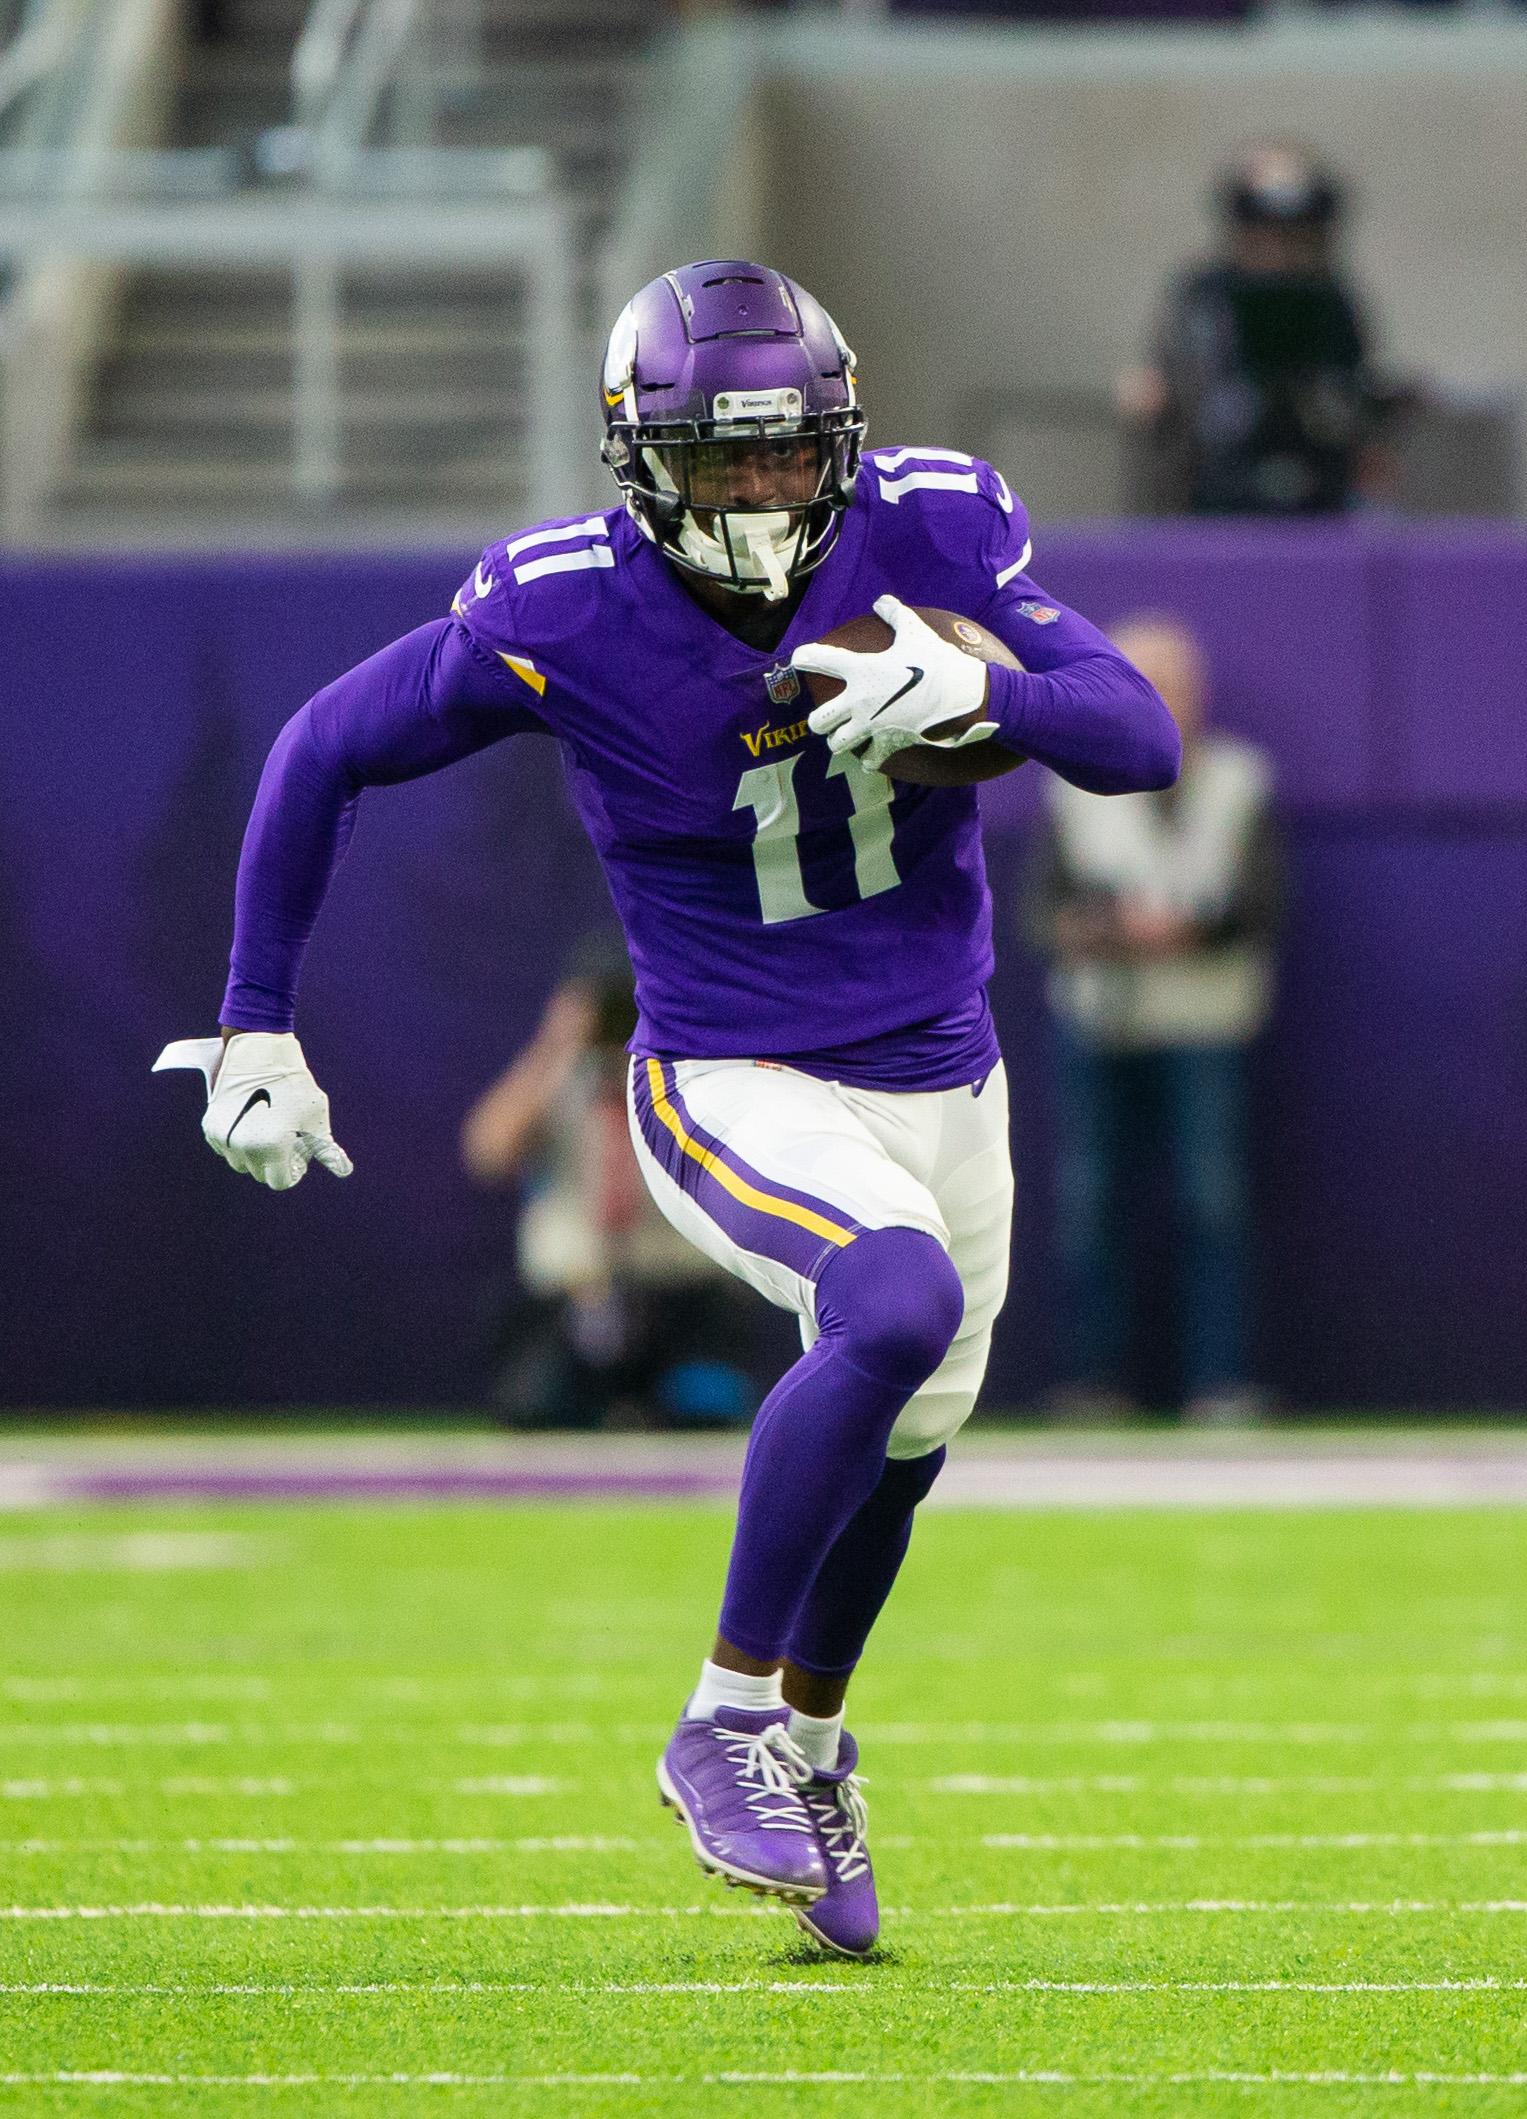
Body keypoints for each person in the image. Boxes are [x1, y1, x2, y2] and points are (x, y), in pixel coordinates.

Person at [154, 259, 1179, 1959]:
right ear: (643, 456)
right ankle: (717, 1713)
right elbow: (325, 745)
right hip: (729, 1069)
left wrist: (987, 693)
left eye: (792, 454)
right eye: (726, 457)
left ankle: (810, 1741)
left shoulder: (929, 526)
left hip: (943, 1061)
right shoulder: (562, 607)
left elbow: (1133, 736)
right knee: (891, 1298)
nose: (767, 489)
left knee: (906, 1443)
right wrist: (255, 1014)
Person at [1026, 616, 1281, 1424]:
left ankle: (1219, 1383)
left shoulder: (1240, 781)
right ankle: (1096, 1381)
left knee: (1212, 1204)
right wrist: (1107, 931)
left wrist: (1185, 929)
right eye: (1144, 680)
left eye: (1173, 682)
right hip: (1100, 1020)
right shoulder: (1070, 782)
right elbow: (1041, 913)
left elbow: (1264, 903)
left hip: (1206, 1022)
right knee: (1089, 1205)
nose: (1161, 698)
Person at [462, 940, 761, 1430]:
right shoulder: (556, 1082)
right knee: (538, 1409)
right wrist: (557, 1044)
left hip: (680, 1297)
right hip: (571, 1297)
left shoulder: (690, 1083)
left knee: (705, 1410)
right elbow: (489, 1151)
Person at [1118, 143, 1397, 515]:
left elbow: (1351, 393)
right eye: (1265, 231)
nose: (1280, 249)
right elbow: (1169, 380)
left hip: (1320, 494)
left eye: (1297, 232)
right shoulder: (1205, 297)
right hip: (1217, 493)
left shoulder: (1333, 299)